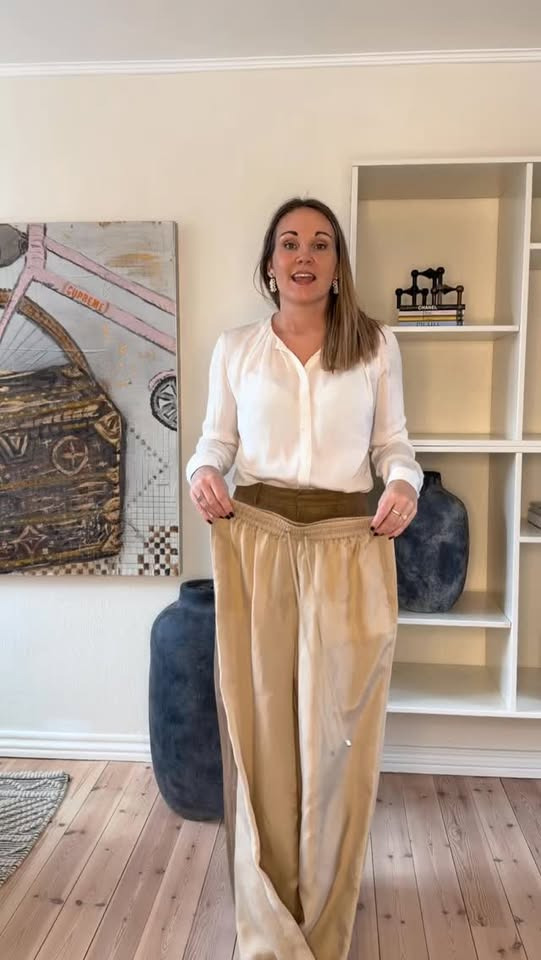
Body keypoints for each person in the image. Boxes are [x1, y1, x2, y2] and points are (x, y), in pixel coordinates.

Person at [186, 197, 423, 960]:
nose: (304, 255)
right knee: (259, 733)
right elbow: (214, 443)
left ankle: (323, 917)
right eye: (289, 242)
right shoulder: (236, 349)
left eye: (320, 244)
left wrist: (404, 484)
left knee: (335, 741)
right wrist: (201, 474)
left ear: (336, 265)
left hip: (346, 547)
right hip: (255, 543)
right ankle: (267, 922)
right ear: (269, 263)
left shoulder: (374, 345)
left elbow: (394, 447)